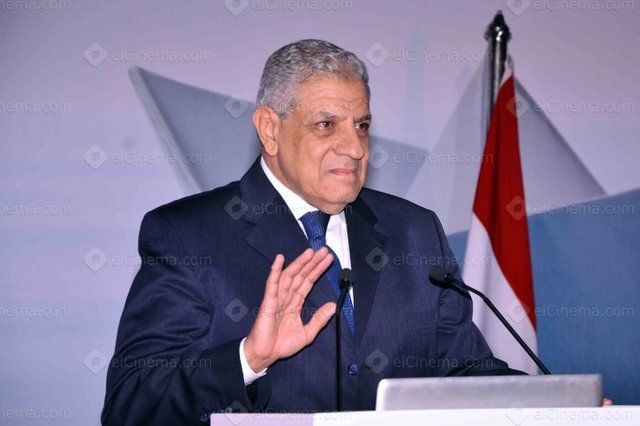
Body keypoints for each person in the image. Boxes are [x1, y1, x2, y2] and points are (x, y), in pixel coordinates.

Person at [101, 39, 521, 425]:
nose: (355, 148)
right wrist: (248, 359)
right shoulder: (188, 235)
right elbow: (131, 407)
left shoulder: (414, 231)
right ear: (270, 130)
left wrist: (550, 404)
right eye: (326, 125)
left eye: (361, 125)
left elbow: (464, 372)